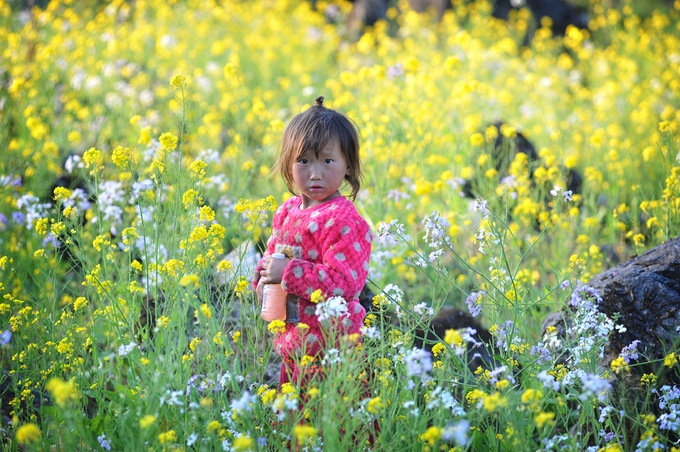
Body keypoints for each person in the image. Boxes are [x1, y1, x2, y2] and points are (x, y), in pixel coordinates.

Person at [252, 96, 372, 388]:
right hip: (294, 347)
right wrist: (262, 278)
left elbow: (344, 284)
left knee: (336, 428)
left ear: (348, 166)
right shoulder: (287, 211)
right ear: (287, 163)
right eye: (303, 161)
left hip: (333, 353)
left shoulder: (344, 220)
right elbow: (271, 256)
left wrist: (288, 273)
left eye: (328, 161)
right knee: (297, 428)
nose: (315, 174)